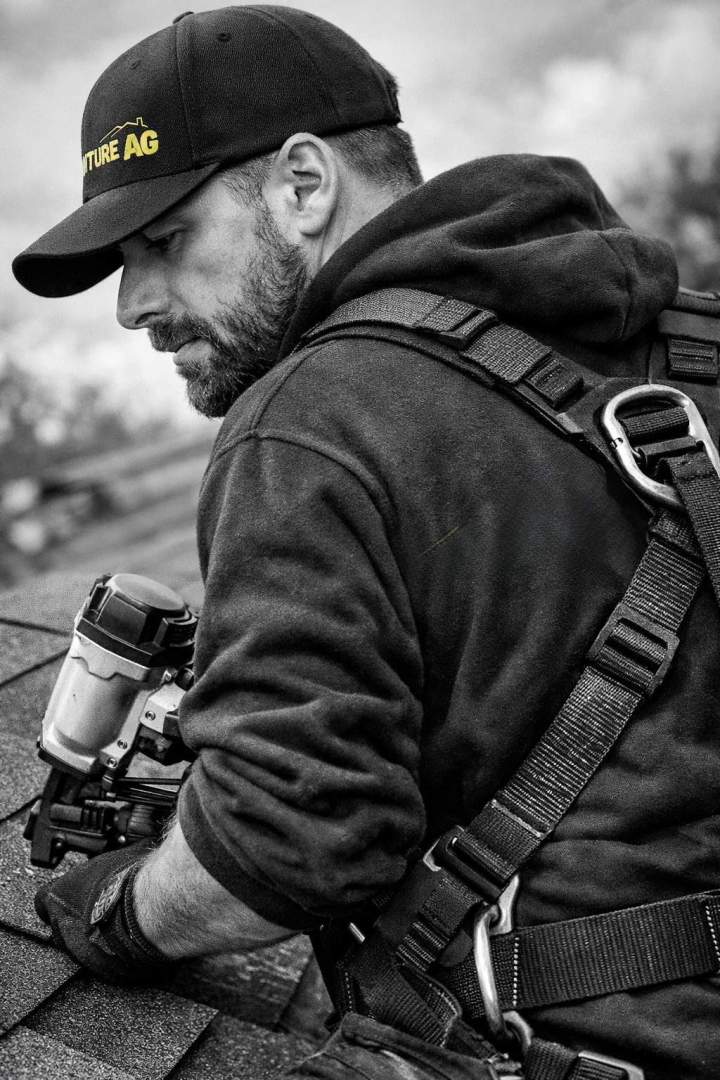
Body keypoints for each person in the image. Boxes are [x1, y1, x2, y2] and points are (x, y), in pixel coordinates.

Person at [12, 7, 720, 1080]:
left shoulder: (308, 421)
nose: (133, 306)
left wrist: (121, 910)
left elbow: (283, 846)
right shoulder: (694, 346)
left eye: (164, 243)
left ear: (303, 185)